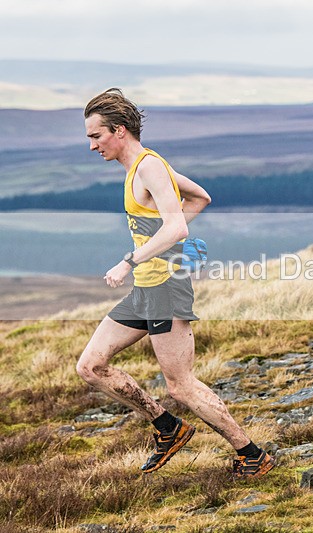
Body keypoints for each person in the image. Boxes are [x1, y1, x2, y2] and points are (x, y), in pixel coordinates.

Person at [76, 88, 275, 478]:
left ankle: (251, 454)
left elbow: (178, 224)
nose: (92, 146)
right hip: (146, 290)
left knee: (180, 385)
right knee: (91, 365)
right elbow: (199, 198)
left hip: (165, 289)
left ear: (119, 131)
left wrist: (129, 260)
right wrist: (163, 246)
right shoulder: (142, 168)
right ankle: (167, 428)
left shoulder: (149, 167)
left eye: (95, 136)